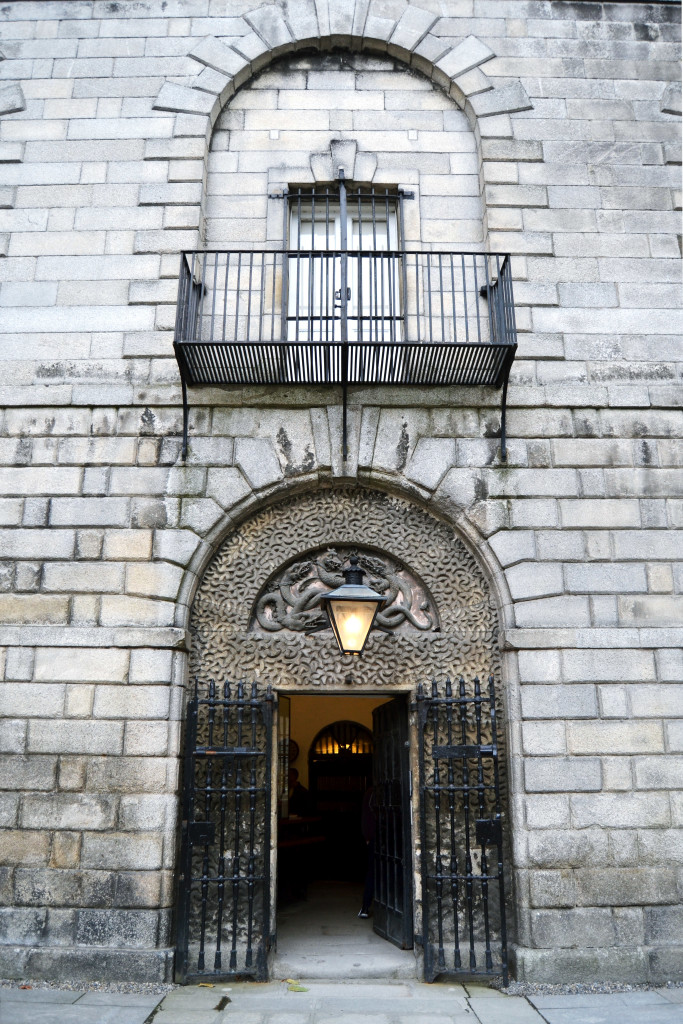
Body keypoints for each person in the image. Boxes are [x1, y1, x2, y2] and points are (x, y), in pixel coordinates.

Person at [359, 785, 377, 918]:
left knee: (372, 872)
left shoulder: (370, 793)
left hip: (375, 837)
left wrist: (367, 836)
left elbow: (366, 816)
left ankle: (365, 907)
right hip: (388, 836)